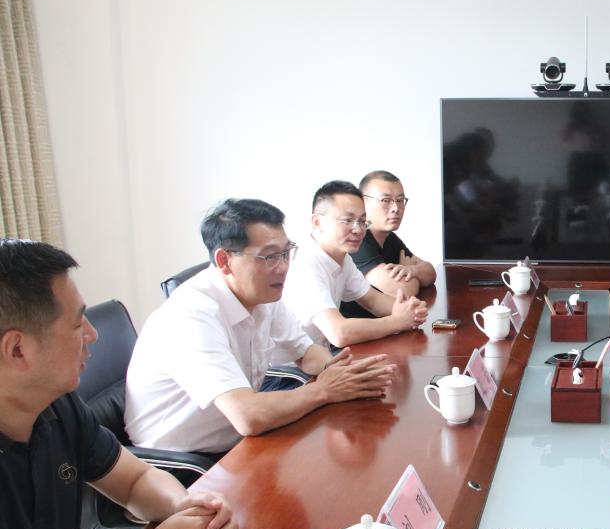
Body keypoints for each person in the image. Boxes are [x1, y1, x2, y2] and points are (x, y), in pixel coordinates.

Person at [0, 239, 238, 529]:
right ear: (17, 350)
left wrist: (183, 508)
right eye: (77, 323)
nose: (92, 334)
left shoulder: (58, 406)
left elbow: (134, 480)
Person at [125, 198, 395, 456]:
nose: (283, 267)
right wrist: (325, 389)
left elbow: (306, 352)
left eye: (286, 253)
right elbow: (248, 415)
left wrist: (342, 372)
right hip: (182, 464)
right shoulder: (190, 316)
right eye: (269, 257)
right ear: (224, 261)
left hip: (238, 442)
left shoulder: (262, 294)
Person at [283, 180, 428, 349]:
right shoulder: (305, 264)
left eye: (362, 221)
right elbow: (339, 333)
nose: (358, 230)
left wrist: (410, 310)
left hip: (320, 356)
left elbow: (373, 301)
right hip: (296, 364)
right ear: (317, 222)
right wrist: (397, 321)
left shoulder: (342, 257)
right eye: (347, 220)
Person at [350, 170, 437, 297]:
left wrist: (412, 270)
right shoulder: (357, 240)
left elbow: (431, 273)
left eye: (400, 200)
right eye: (385, 200)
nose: (396, 208)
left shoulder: (389, 237)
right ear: (362, 202)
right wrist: (411, 274)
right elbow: (404, 290)